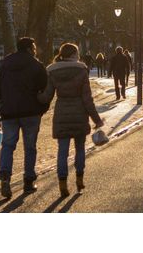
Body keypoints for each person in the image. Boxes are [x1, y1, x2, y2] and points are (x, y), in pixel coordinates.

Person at [38, 43, 104, 197]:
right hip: (80, 114)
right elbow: (88, 99)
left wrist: (35, 96)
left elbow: (46, 96)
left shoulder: (52, 71)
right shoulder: (82, 70)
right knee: (80, 149)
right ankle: (79, 180)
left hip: (61, 114)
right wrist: (97, 120)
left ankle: (62, 184)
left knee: (62, 151)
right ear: (74, 54)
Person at [0, 37, 49, 199]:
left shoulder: (5, 65)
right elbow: (45, 90)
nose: (36, 50)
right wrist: (42, 109)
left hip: (8, 112)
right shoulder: (36, 65)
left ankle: (5, 173)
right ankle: (28, 181)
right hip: (31, 112)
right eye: (34, 47)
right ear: (30, 48)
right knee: (30, 147)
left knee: (8, 145)